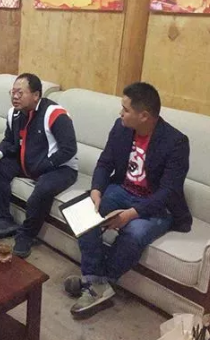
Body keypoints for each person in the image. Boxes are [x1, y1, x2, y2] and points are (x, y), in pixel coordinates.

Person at [65, 82, 191, 315]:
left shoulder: (176, 142)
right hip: (122, 190)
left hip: (156, 204)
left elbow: (168, 191)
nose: (120, 113)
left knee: (133, 233)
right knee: (82, 213)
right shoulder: (121, 127)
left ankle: (95, 283)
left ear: (144, 116)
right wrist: (96, 190)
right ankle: (96, 281)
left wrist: (131, 214)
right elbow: (105, 162)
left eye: (125, 109)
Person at [0, 73, 78, 258]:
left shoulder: (55, 114)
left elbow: (69, 149)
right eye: (13, 92)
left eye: (20, 93)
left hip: (60, 168)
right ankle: (2, 221)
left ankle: (26, 235)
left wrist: (45, 165)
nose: (15, 97)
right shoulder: (14, 113)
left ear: (36, 95)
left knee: (42, 190)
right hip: (29, 163)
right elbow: (9, 141)